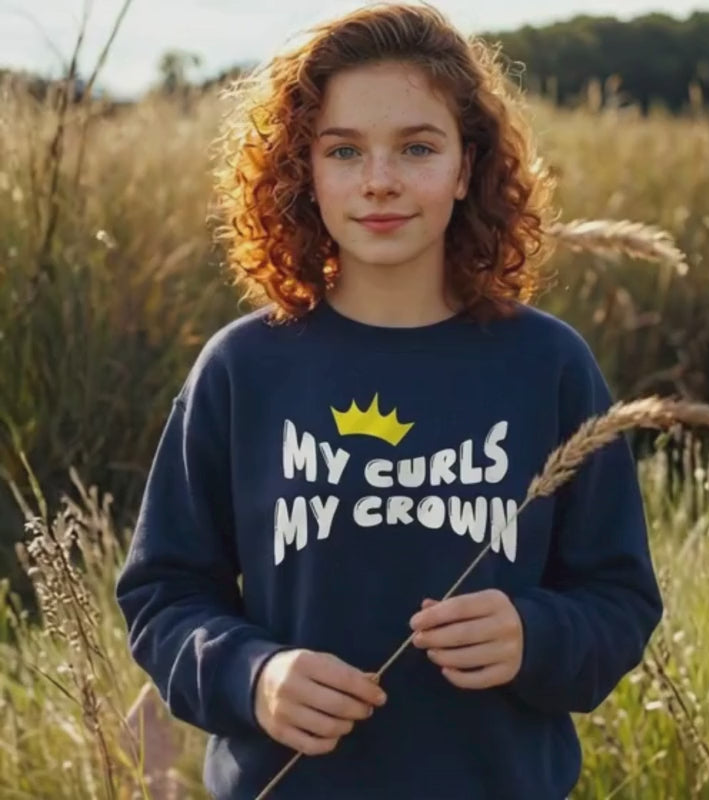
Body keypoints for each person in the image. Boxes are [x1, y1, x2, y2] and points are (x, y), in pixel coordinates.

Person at [114, 3, 663, 799]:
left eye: (417, 147)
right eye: (344, 150)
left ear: (467, 166)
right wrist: (254, 675)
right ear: (305, 168)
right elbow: (163, 594)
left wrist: (536, 634)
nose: (380, 180)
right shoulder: (245, 367)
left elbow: (619, 598)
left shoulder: (547, 365)